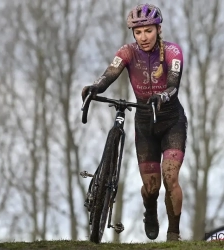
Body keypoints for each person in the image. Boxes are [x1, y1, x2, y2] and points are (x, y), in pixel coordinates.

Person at [81, 3, 187, 241]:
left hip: (171, 121)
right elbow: (110, 72)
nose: (143, 37)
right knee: (151, 188)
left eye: (148, 30)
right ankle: (150, 211)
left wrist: (163, 95)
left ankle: (173, 233)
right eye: (138, 32)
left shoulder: (173, 51)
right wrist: (95, 87)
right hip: (144, 122)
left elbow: (173, 82)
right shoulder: (127, 52)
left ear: (158, 29)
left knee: (170, 177)